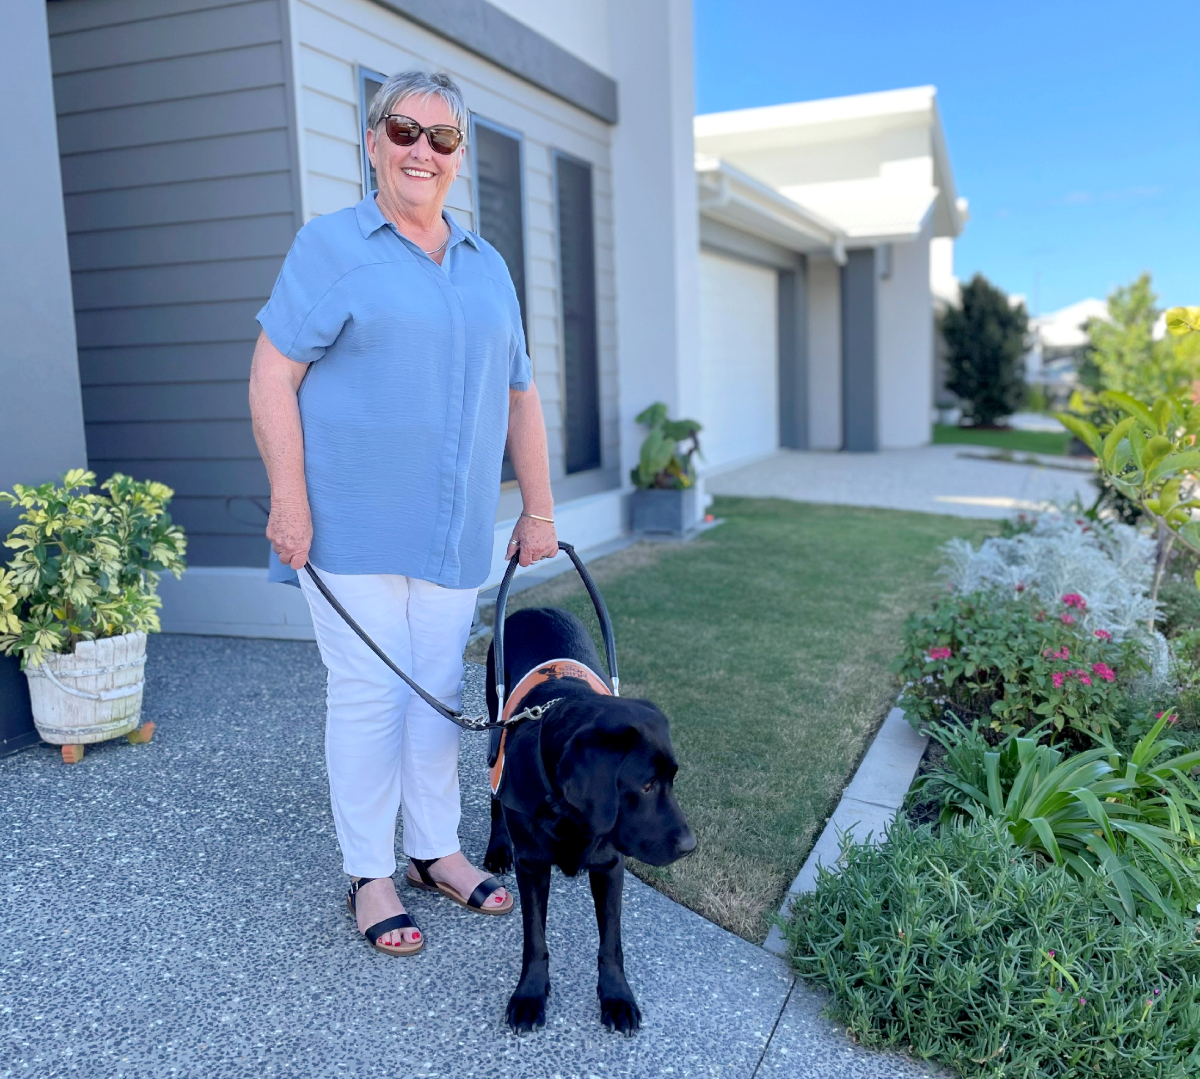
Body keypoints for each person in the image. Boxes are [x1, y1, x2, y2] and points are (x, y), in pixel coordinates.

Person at [248, 70, 556, 955]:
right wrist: (290, 498)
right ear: (374, 141)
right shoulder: (331, 244)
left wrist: (538, 508)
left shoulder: (488, 264)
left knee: (438, 698)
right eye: (404, 130)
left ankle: (434, 852)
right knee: (370, 696)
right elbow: (274, 373)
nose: (422, 149)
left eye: (442, 137)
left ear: (460, 158)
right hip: (345, 526)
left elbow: (521, 393)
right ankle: (369, 871)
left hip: (453, 532)